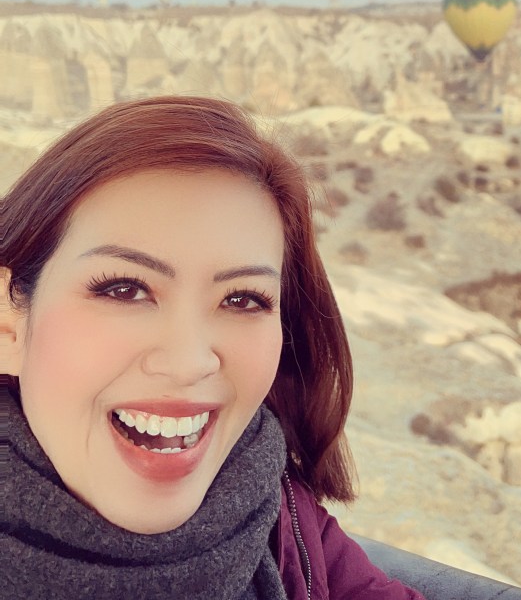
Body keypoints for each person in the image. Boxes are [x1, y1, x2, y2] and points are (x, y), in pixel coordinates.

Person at [0, 95, 427, 600]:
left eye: (242, 299)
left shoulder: (285, 519)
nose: (190, 363)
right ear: (8, 326)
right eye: (125, 289)